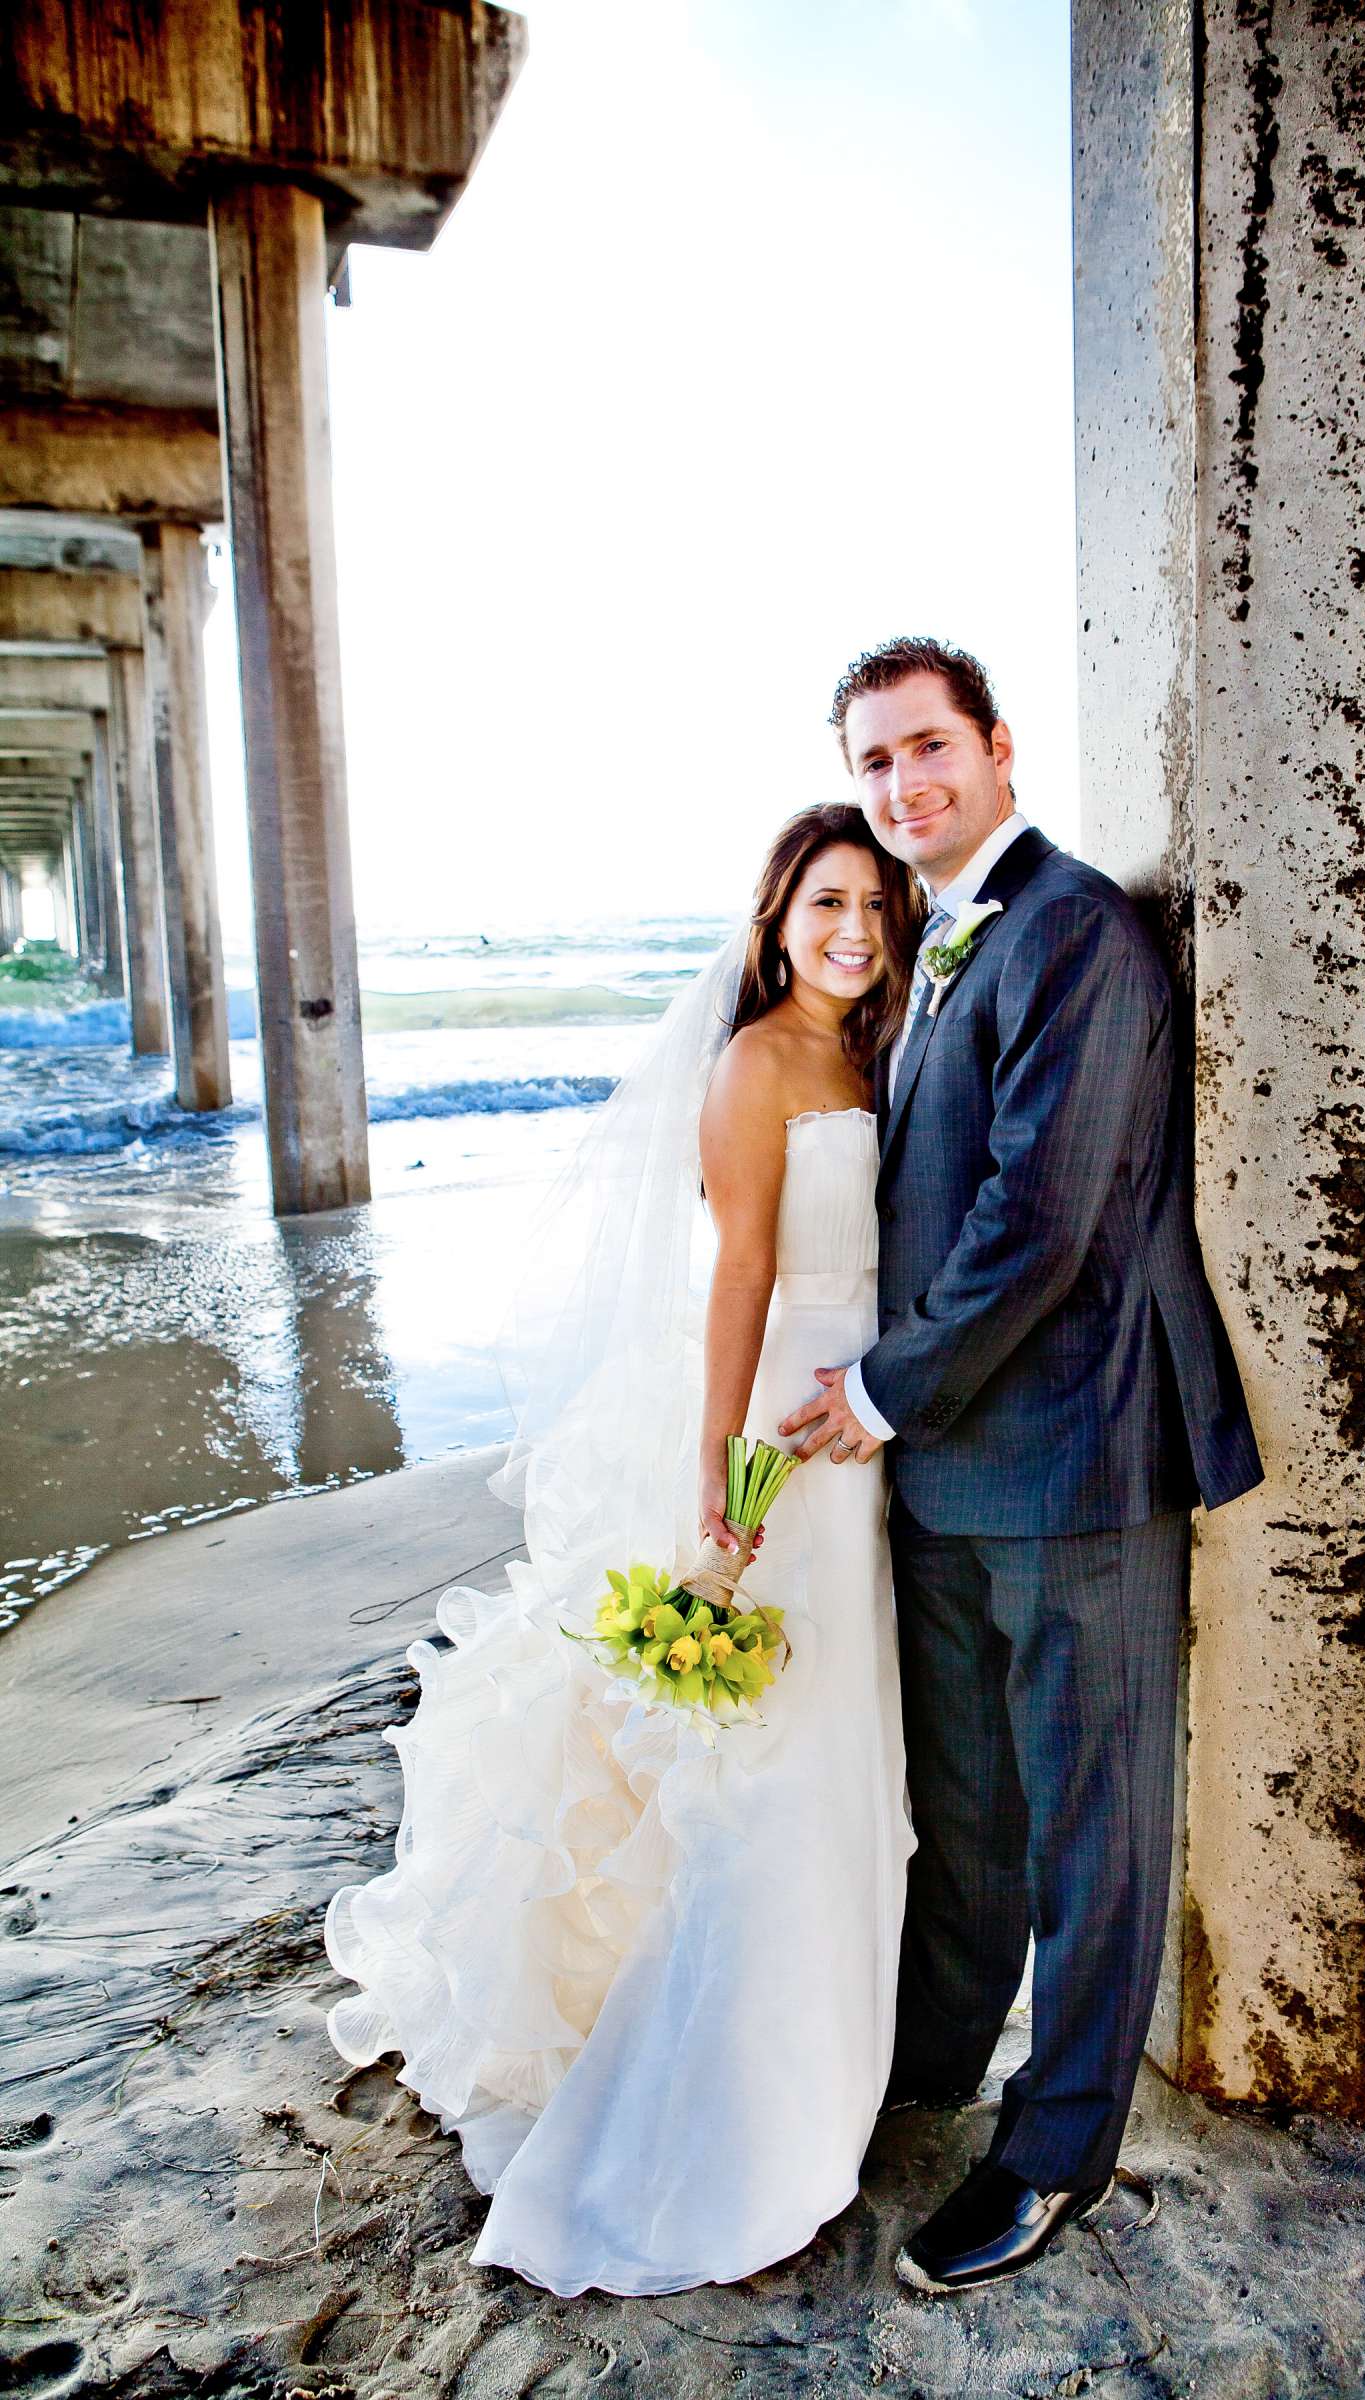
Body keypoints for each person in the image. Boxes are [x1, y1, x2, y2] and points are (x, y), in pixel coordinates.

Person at [323, 803, 923, 2295]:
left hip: (880, 1426)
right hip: (790, 1429)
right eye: (825, 903)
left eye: (875, 905)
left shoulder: (873, 1047)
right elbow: (741, 1280)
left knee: (853, 1748)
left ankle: (843, 2066)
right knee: (778, 1760)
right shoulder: (758, 1063)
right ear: (777, 919)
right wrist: (727, 1475)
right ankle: (736, 2115)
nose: (853, 930)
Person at [782, 636, 1263, 2296]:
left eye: (928, 749)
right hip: (944, 1478)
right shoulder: (936, 946)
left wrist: (880, 1393)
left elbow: (1042, 1223)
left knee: (1091, 1829)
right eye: (875, 762)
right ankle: (933, 2066)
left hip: (1072, 1459)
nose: (904, 785)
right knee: (969, 1810)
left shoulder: (1075, 933)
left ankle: (1058, 2153)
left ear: (996, 748)